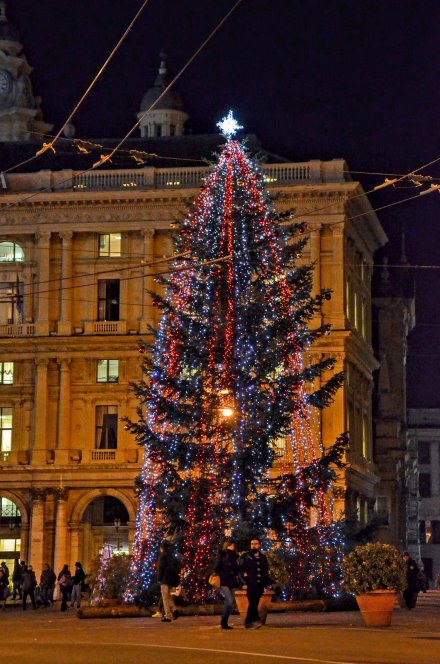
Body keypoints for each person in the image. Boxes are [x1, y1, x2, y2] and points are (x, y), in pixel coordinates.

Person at [240, 537, 269, 629]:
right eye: (252, 544)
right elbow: (240, 570)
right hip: (250, 584)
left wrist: (265, 585)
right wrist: (244, 582)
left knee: (254, 603)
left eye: (256, 544)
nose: (254, 545)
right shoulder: (245, 556)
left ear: (259, 545)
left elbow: (265, 571)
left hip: (260, 584)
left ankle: (253, 621)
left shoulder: (263, 557)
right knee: (253, 602)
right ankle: (251, 621)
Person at [214, 538, 241, 630]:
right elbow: (216, 568)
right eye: (232, 545)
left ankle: (225, 622)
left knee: (231, 603)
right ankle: (223, 621)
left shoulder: (235, 556)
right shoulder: (222, 555)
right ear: (228, 545)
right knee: (229, 601)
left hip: (232, 581)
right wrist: (223, 573)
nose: (233, 546)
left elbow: (237, 569)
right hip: (224, 581)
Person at [157, 541, 180, 622]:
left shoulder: (162, 557)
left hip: (164, 579)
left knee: (165, 598)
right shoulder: (173, 556)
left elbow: (160, 569)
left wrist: (159, 578)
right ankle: (174, 610)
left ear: (162, 548)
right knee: (168, 596)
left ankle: (168, 616)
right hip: (172, 579)